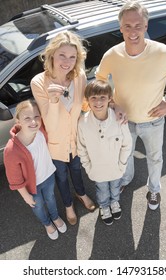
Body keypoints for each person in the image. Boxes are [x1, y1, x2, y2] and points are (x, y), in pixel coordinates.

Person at [96, 0, 166, 210]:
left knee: (155, 158)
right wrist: (112, 103)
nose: (133, 31)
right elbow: (100, 80)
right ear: (120, 28)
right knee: (125, 155)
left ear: (146, 26)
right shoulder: (112, 55)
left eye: (138, 25)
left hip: (153, 121)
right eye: (128, 26)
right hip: (123, 121)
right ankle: (126, 180)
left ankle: (154, 189)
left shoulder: (162, 53)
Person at [31, 31, 95, 226]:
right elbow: (49, 122)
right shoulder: (39, 82)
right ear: (52, 55)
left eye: (72, 57)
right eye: (62, 55)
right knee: (61, 176)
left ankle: (81, 193)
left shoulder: (79, 76)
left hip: (75, 140)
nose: (67, 61)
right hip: (55, 144)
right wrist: (52, 101)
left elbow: (84, 106)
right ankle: (68, 205)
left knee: (76, 169)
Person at [3, 100, 67, 240]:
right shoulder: (12, 149)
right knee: (38, 206)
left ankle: (55, 217)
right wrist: (25, 195)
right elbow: (14, 178)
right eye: (27, 118)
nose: (33, 121)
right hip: (32, 186)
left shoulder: (40, 130)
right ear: (18, 121)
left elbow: (55, 116)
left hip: (48, 176)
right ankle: (47, 223)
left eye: (36, 116)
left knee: (50, 198)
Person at [77, 80, 132, 225]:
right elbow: (81, 148)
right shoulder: (83, 123)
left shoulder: (118, 118)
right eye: (93, 98)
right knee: (102, 190)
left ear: (109, 99)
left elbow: (127, 144)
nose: (98, 102)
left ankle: (114, 203)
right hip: (97, 170)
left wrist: (122, 164)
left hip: (116, 167)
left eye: (102, 97)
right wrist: (88, 167)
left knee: (115, 187)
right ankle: (104, 206)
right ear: (87, 100)